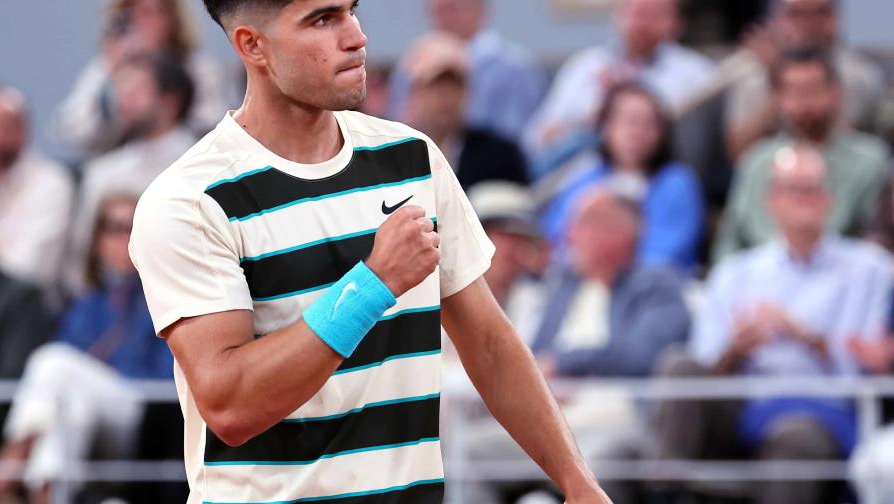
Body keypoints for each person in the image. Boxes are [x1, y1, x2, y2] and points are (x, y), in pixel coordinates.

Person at [127, 2, 612, 504]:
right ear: (253, 46)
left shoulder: (412, 157)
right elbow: (230, 407)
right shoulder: (188, 201)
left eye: (351, 10)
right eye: (322, 19)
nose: (357, 37)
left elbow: (489, 344)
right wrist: (373, 285)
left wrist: (579, 483)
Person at [654, 145, 892, 504]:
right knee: (678, 365)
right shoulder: (735, 273)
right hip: (744, 402)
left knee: (794, 439)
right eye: (792, 189)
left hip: (819, 409)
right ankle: (664, 494)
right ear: (771, 201)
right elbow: (706, 362)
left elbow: (863, 364)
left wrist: (803, 335)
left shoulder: (869, 269)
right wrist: (735, 349)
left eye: (812, 189)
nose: (803, 200)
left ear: (830, 199)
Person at [0, 195, 173, 504]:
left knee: (52, 362)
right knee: (73, 409)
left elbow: (165, 376)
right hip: (87, 411)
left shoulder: (165, 298)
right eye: (114, 228)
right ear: (97, 239)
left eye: (132, 228)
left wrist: (96, 374)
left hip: (139, 414)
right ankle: (48, 496)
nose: (124, 239)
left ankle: (10, 464)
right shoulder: (86, 301)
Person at [713, 48, 890, 262]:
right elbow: (732, 239)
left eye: (813, 90)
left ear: (836, 92)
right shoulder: (757, 161)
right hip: (761, 275)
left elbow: (876, 236)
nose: (804, 101)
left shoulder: (870, 160)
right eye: (794, 91)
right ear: (776, 97)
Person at [66, 51, 196, 293]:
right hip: (112, 303)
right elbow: (81, 262)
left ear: (171, 101)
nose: (123, 102)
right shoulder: (102, 173)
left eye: (136, 91)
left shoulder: (205, 165)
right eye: (120, 91)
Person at [542, 83, 704, 270]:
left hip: (650, 283)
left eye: (648, 124)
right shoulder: (584, 177)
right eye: (630, 122)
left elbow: (665, 254)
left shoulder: (677, 183)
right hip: (579, 278)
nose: (638, 132)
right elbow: (554, 238)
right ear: (606, 127)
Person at [524, 0, 714, 157]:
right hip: (581, 171)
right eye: (638, 12)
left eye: (655, 14)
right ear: (618, 15)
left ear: (676, 23)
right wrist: (592, 116)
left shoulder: (697, 73)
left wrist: (629, 95)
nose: (643, 23)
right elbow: (536, 138)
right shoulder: (586, 66)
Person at [534, 187, 690, 378]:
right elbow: (536, 355)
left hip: (615, 393)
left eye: (584, 222)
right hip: (549, 392)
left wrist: (564, 363)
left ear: (622, 232)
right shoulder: (565, 285)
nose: (570, 234)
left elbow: (641, 356)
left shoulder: (656, 285)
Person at [53, 0, 235, 155]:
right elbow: (72, 132)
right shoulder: (106, 68)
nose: (140, 22)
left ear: (172, 19)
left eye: (149, 13)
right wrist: (112, 81)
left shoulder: (197, 68)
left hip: (183, 159)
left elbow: (213, 125)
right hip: (120, 167)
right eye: (131, 14)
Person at [724, 0, 885, 159]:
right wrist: (778, 77)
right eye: (796, 13)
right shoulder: (752, 73)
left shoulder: (857, 75)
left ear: (838, 19)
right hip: (770, 169)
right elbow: (739, 153)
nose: (809, 23)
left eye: (821, 12)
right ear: (775, 19)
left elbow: (837, 145)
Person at [389, 0, 545, 141]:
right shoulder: (414, 60)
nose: (445, 18)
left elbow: (514, 135)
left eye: (452, 9)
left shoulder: (515, 67)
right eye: (438, 10)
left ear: (479, 10)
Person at [401, 32, 529, 191]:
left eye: (456, 86)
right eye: (436, 87)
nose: (447, 97)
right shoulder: (390, 155)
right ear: (414, 93)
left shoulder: (500, 157)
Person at [0, 87, 74, 290]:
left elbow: (31, 268)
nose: (0, 136)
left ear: (24, 130)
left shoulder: (50, 183)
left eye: (6, 125)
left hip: (25, 301)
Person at [468, 181, 547, 344]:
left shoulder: (535, 301)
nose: (512, 251)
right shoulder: (444, 293)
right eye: (503, 237)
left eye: (521, 241)